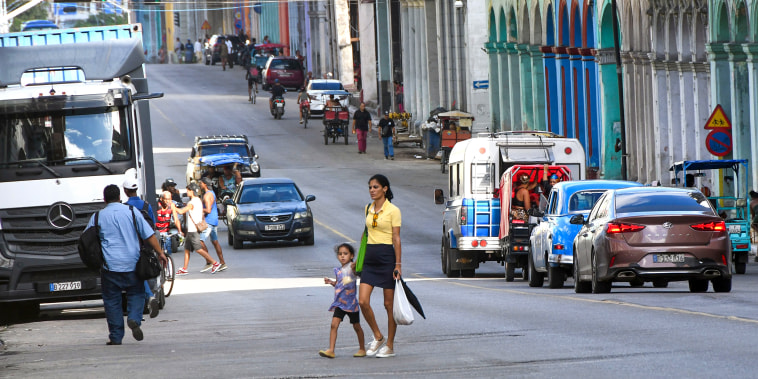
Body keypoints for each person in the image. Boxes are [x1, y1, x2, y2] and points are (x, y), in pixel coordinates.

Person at [86, 184, 166, 345]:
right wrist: (160, 253)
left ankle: (115, 337)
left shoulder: (97, 217)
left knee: (112, 301)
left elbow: (86, 239)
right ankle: (134, 318)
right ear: (120, 197)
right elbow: (149, 234)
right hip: (133, 263)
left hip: (110, 267)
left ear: (104, 199)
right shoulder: (131, 211)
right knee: (136, 294)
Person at [358, 174, 402, 358]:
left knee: (388, 304)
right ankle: (378, 335)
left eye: (375, 187)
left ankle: (390, 345)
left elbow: (396, 238)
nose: (372, 190)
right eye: (370, 187)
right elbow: (365, 234)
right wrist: (357, 259)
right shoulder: (368, 208)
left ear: (385, 188)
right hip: (369, 258)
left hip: (386, 258)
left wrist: (398, 264)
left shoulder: (393, 210)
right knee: (363, 301)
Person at [318, 243, 366, 359]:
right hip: (340, 303)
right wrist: (331, 282)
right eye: (340, 254)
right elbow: (341, 284)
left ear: (351, 256)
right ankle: (331, 350)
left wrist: (356, 266)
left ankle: (362, 348)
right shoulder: (340, 270)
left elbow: (355, 272)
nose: (342, 256)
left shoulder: (352, 267)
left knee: (356, 326)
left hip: (351, 304)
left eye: (345, 254)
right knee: (334, 324)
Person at [123, 177, 160, 319]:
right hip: (146, 244)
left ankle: (146, 300)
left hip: (132, 245)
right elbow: (153, 227)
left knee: (135, 275)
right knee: (143, 271)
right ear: (136, 190)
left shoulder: (125, 207)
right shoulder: (146, 205)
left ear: (126, 191)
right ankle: (152, 294)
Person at [173, 183, 221, 275]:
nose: (187, 192)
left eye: (188, 190)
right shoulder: (198, 200)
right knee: (187, 249)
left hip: (193, 230)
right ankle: (184, 268)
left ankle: (214, 263)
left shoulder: (192, 203)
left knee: (198, 249)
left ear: (192, 191)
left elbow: (181, 211)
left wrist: (173, 207)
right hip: (194, 229)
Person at [199, 177, 227, 272]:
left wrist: (198, 208)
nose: (200, 185)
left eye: (201, 183)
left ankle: (209, 261)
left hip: (209, 221)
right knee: (215, 242)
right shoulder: (212, 193)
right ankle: (222, 262)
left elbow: (208, 210)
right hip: (214, 220)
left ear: (205, 184)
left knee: (200, 241)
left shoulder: (207, 195)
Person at [156, 191, 183, 255]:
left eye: (169, 199)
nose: (168, 201)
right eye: (166, 199)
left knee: (168, 248)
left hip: (166, 231)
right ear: (161, 199)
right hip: (157, 230)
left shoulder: (172, 205)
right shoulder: (156, 205)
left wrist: (180, 231)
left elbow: (176, 219)